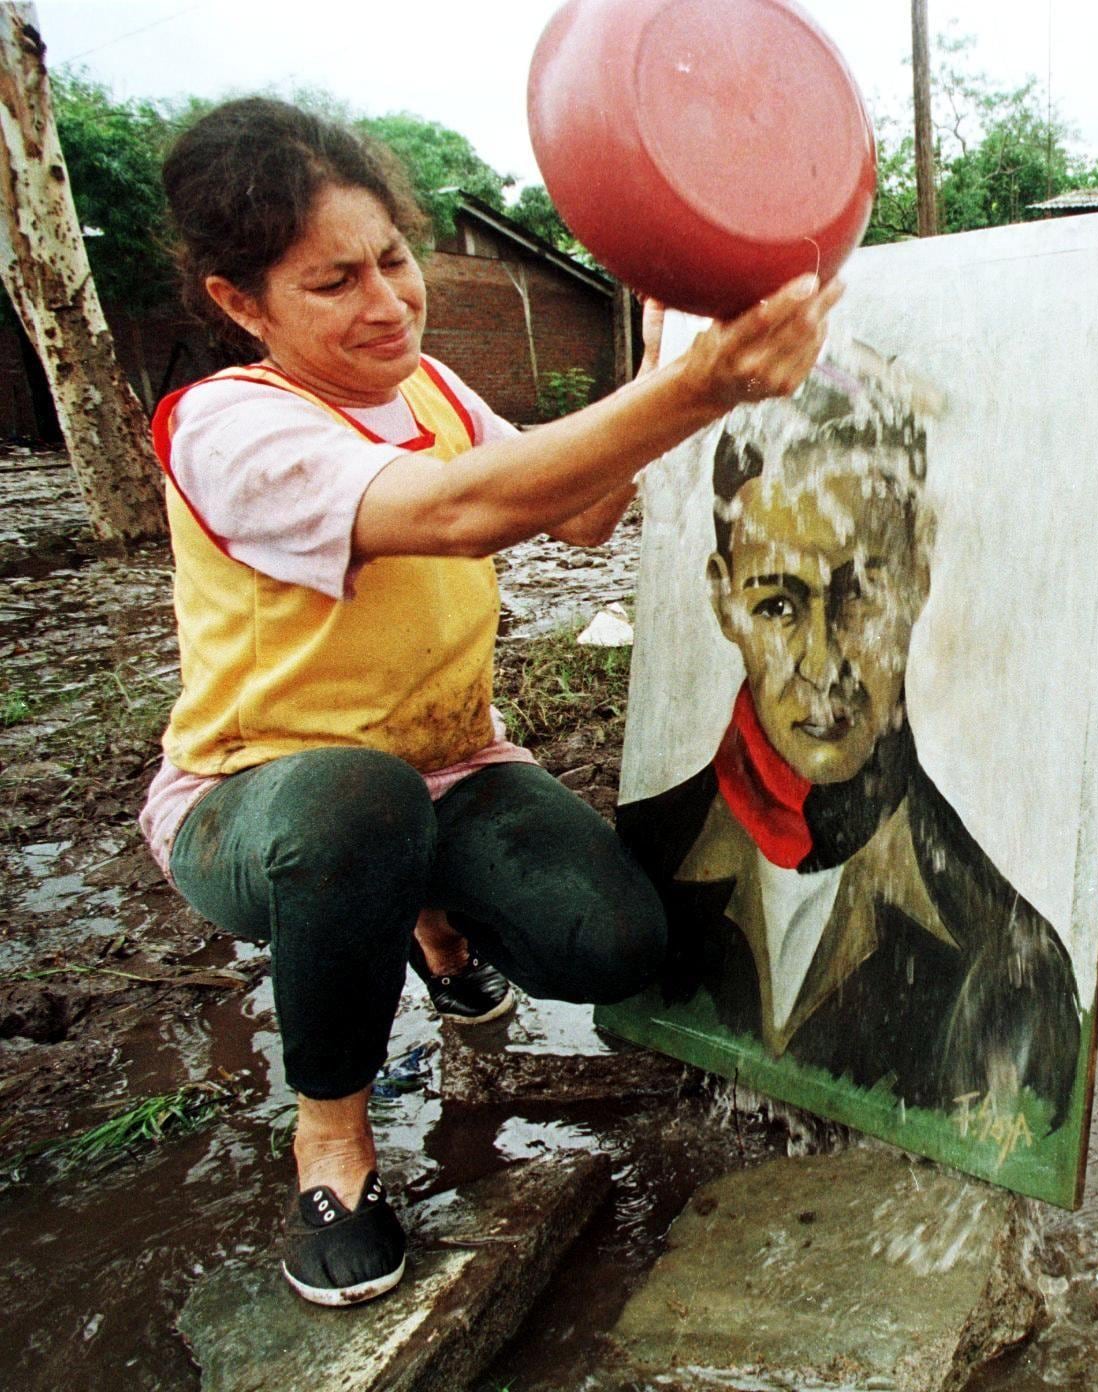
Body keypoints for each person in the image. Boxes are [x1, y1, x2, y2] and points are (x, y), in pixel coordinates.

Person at [141, 98, 840, 1308]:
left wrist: (666, 365)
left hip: (448, 766)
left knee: (610, 944)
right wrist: (697, 390)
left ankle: (432, 923)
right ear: (240, 304)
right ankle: (333, 1145)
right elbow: (462, 511)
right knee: (355, 806)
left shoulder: (432, 391)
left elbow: (572, 510)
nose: (388, 302)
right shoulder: (226, 424)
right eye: (333, 282)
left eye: (395, 260)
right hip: (260, 791)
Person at [616, 361, 1083, 1133]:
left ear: (918, 577)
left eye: (860, 593)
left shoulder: (1007, 963)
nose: (823, 662)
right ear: (720, 599)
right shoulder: (637, 875)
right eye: (776, 603)